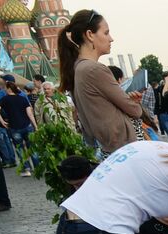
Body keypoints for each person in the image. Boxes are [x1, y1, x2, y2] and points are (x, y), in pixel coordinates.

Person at [58, 9, 143, 157]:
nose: (111, 38)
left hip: (107, 148)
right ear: (90, 35)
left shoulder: (77, 68)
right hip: (123, 148)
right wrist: (134, 104)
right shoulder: (94, 69)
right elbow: (135, 111)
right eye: (106, 33)